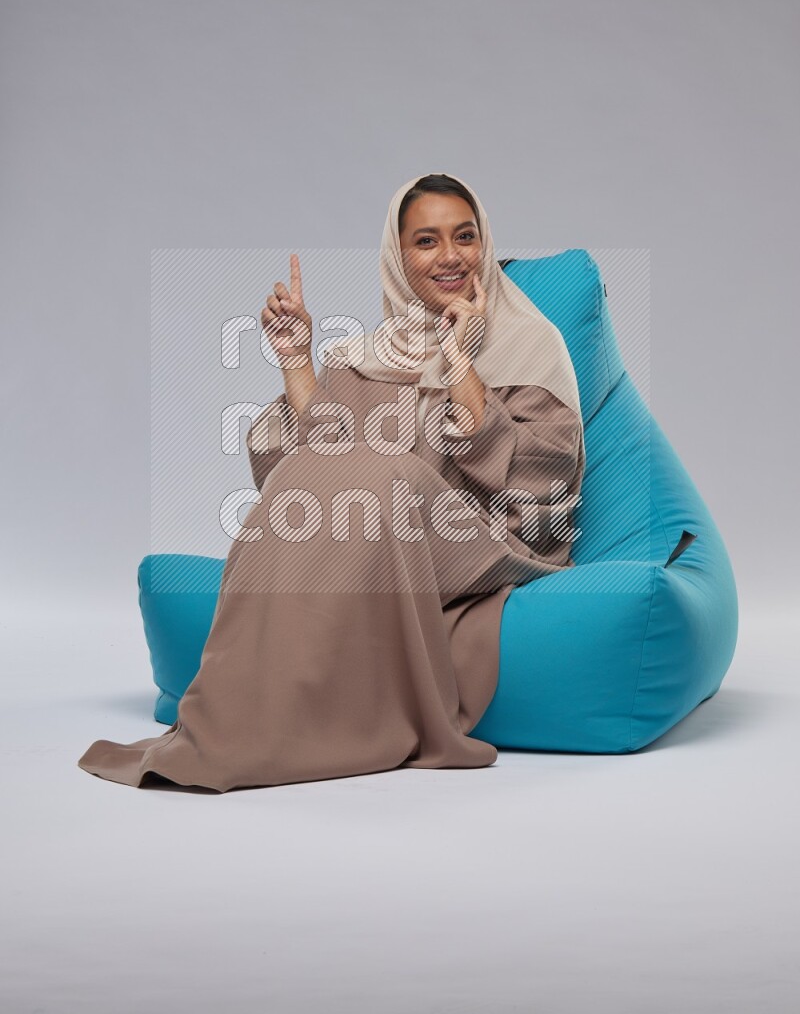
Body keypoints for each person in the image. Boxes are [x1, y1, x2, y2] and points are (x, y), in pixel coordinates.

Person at [77, 172, 585, 792]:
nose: (450, 256)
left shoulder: (529, 343)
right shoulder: (365, 356)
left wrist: (460, 359)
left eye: (465, 236)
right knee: (328, 476)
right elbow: (314, 468)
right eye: (426, 241)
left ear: (485, 242)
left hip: (484, 542)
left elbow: (539, 486)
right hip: (379, 543)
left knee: (390, 475)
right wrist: (297, 360)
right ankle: (241, 722)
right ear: (398, 257)